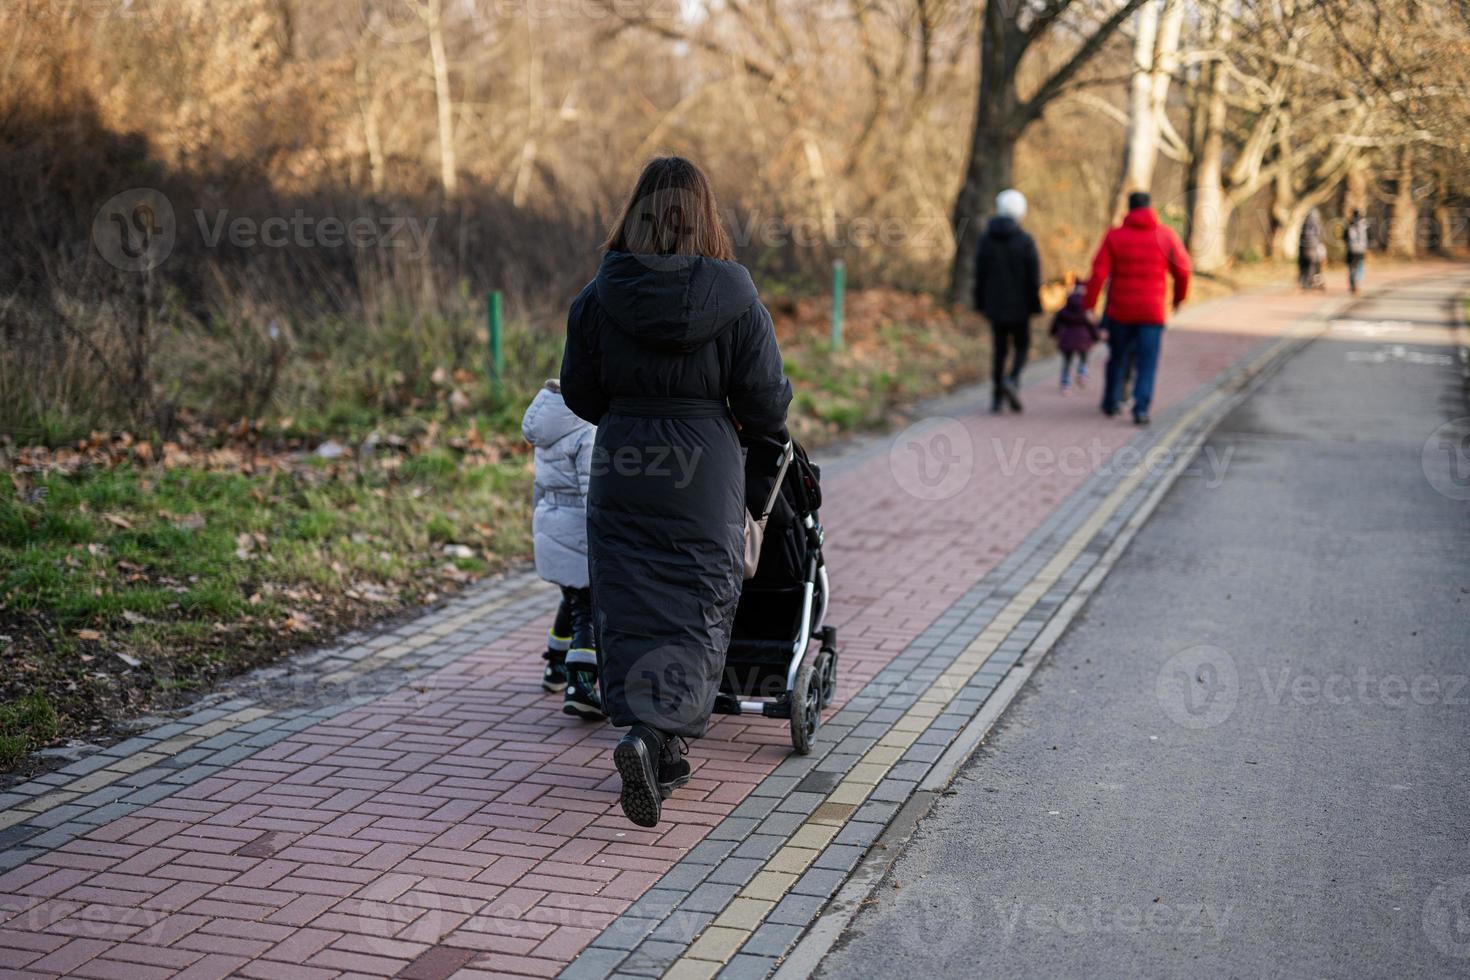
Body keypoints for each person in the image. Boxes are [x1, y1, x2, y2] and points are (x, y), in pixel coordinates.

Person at [561, 157, 792, 828]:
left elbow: (578, 390)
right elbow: (768, 402)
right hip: (704, 469)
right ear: (705, 216)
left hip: (626, 463)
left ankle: (646, 736)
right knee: (697, 601)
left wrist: (630, 412)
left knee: (629, 598)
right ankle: (661, 741)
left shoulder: (599, 295)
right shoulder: (737, 299)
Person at [521, 379, 604, 721]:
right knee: (587, 608)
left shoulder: (546, 426)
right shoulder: (586, 429)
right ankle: (580, 684)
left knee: (571, 596)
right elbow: (592, 492)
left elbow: (540, 485)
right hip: (577, 529)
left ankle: (555, 666)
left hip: (549, 520)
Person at [1083, 191, 1191, 426]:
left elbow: (1099, 272)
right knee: (1147, 362)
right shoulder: (1165, 236)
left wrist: (1089, 305)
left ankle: (1111, 402)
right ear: (1150, 208)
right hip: (1152, 312)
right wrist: (1178, 299)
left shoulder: (1114, 236)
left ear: (1129, 209)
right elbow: (1183, 269)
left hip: (1120, 311)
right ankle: (1140, 409)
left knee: (1117, 356)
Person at [974, 189, 1042, 414]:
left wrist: (980, 303)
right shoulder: (1025, 241)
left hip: (995, 305)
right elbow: (1033, 278)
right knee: (1022, 346)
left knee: (999, 350)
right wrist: (1035, 305)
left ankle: (996, 397)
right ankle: (1011, 380)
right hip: (1020, 307)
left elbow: (979, 274)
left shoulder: (986, 240)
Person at [1050, 280, 1100, 394]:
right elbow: (1092, 325)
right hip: (1084, 339)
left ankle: (1065, 384)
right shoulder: (1087, 309)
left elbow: (1056, 322)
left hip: (1067, 338)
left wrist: (1054, 334)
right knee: (1084, 358)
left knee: (1067, 362)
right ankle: (1082, 373)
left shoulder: (1065, 308)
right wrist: (1096, 337)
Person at [1298, 209, 1326, 290]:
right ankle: (1309, 283)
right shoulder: (1317, 224)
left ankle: (1304, 282)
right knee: (1312, 266)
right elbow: (1320, 237)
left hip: (1303, 249)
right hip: (1313, 248)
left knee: (1304, 266)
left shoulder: (1304, 224)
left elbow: (1301, 238)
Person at [1344, 209, 1369, 295]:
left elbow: (1344, 238)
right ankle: (1358, 283)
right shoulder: (1364, 226)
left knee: (1351, 268)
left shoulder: (1349, 225)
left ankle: (1353, 284)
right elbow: (1369, 237)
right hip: (1361, 250)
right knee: (1360, 267)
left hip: (1351, 250)